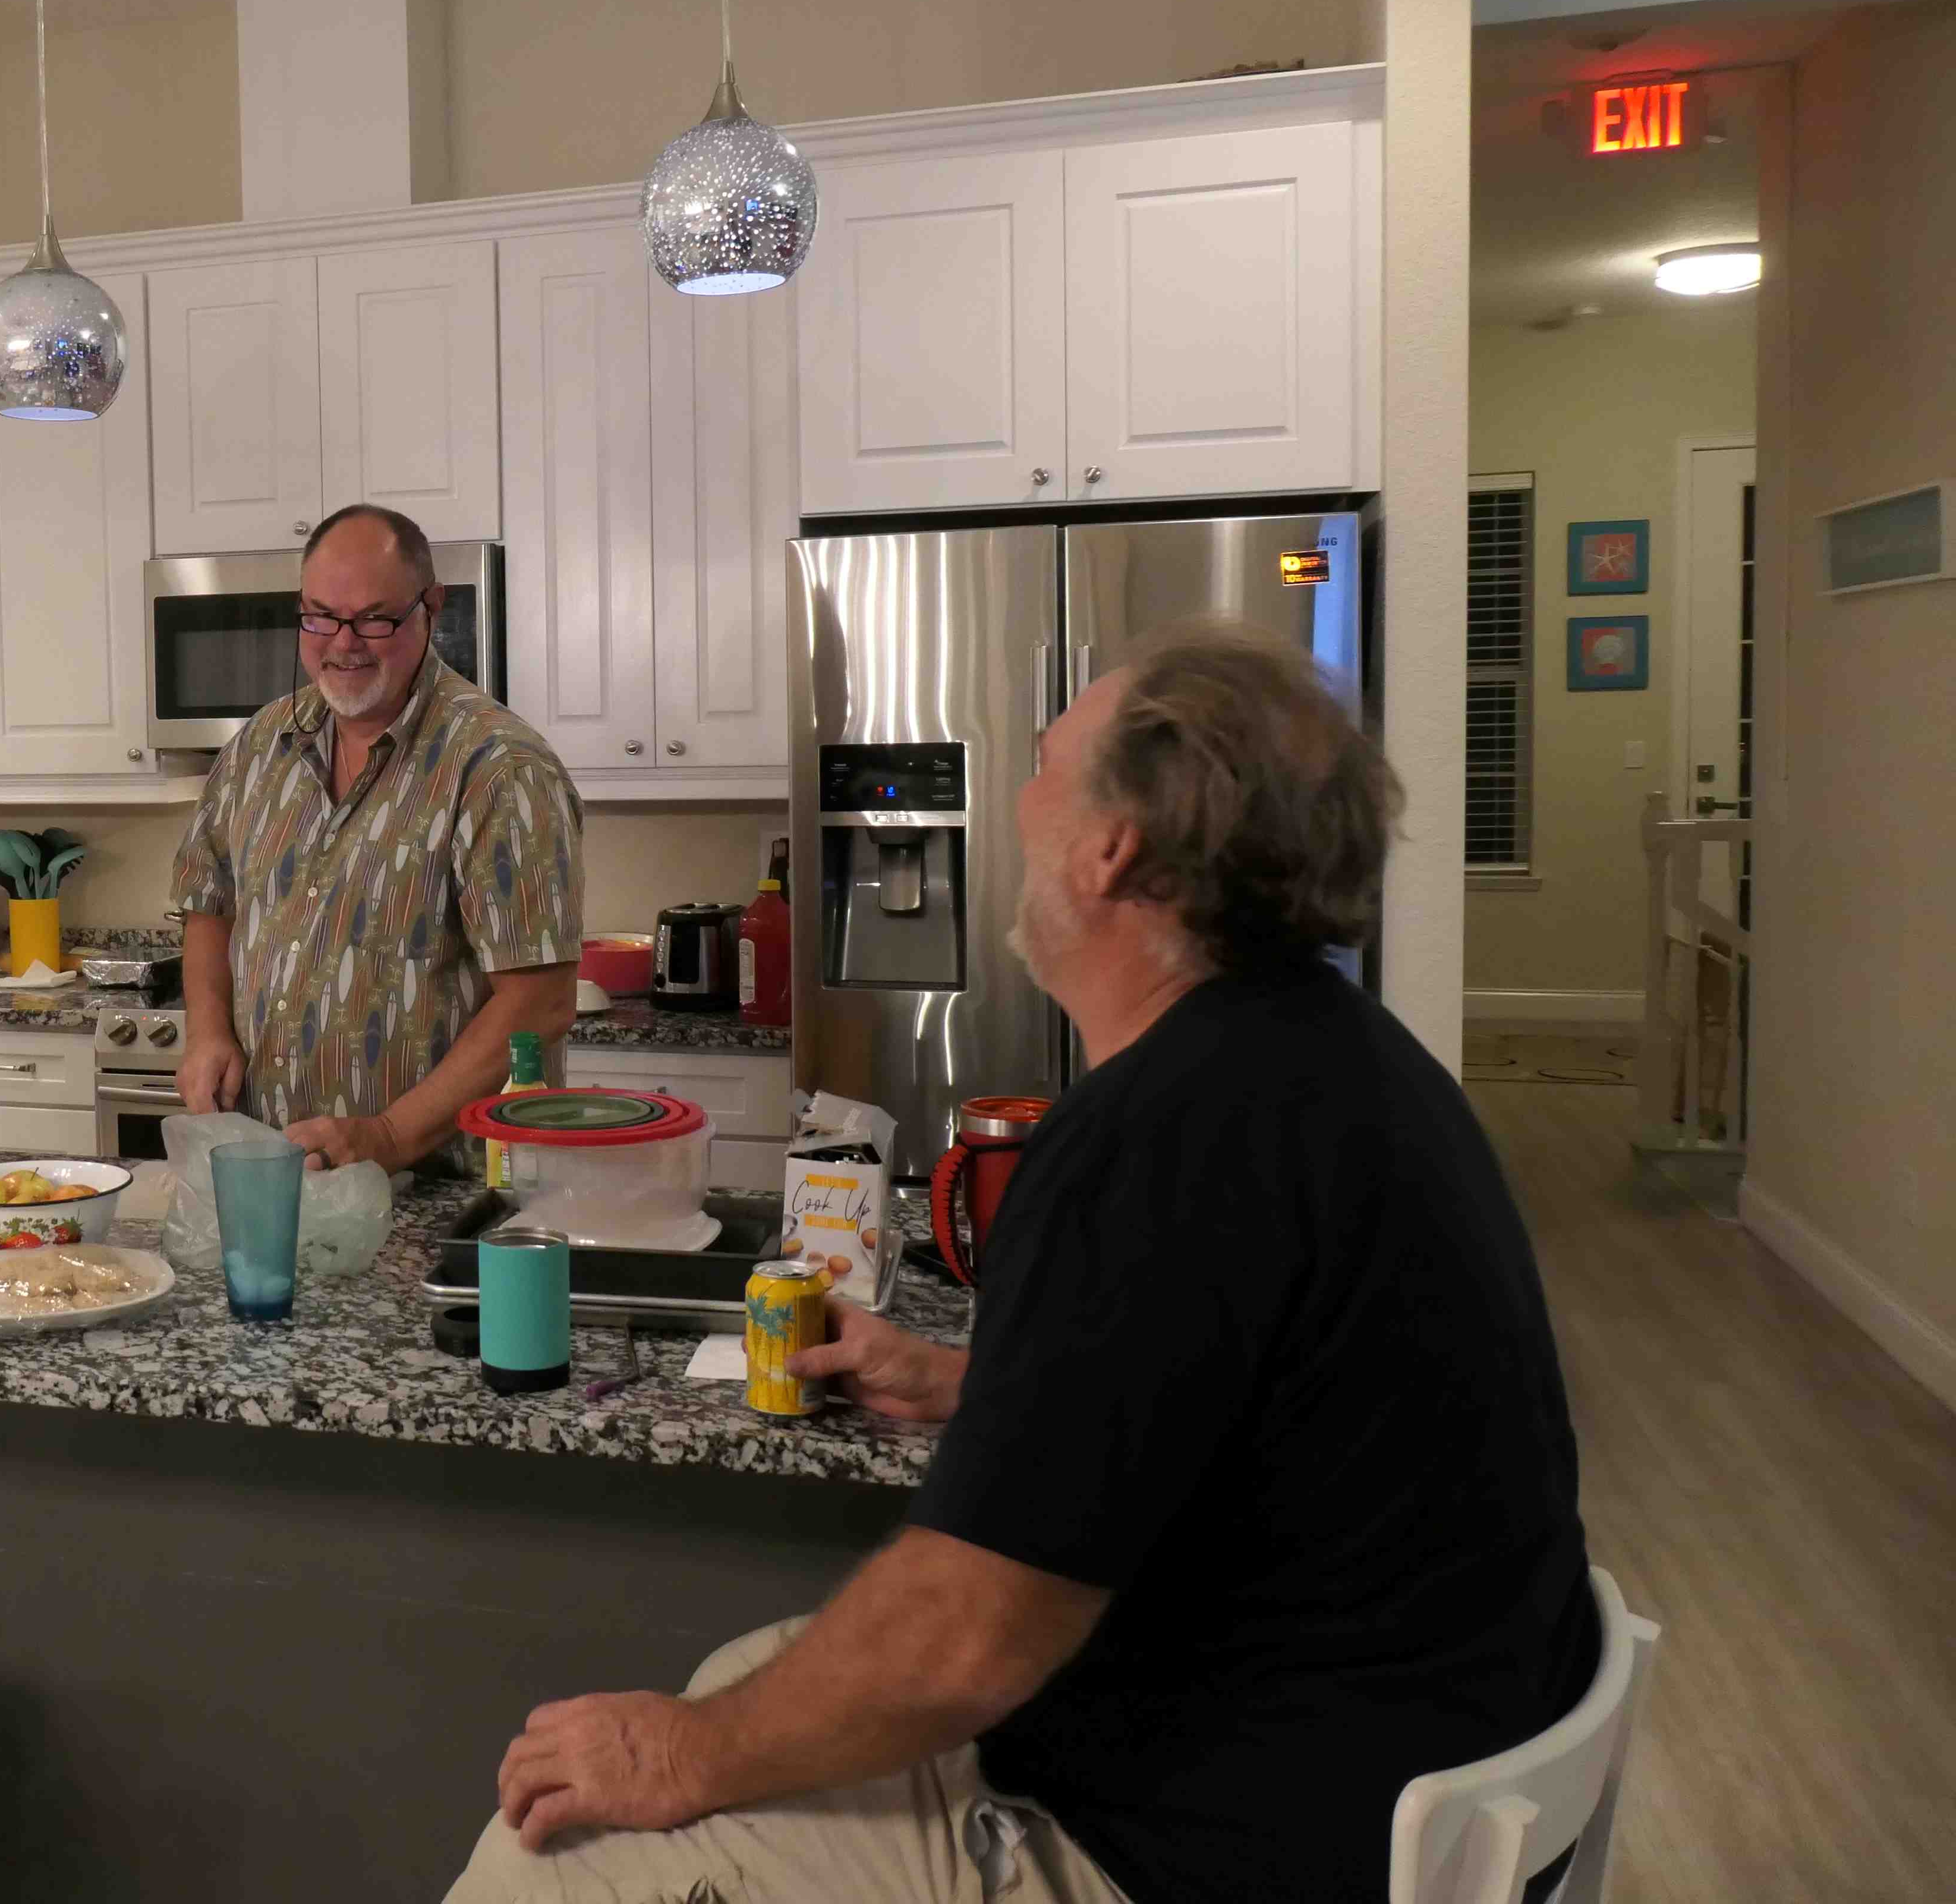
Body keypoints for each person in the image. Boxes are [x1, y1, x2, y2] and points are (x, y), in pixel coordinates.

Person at [449, 621, 1600, 1904]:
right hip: (1388, 1774)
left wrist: (679, 1756)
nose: (1016, 801)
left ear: (1113, 849)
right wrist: (978, 1381)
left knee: (549, 1856)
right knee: (741, 1677)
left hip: (1210, 1852)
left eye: (1046, 766)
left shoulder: (1158, 1134)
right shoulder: (1345, 1064)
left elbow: (965, 1639)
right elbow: (1239, 1396)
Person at [171, 503, 582, 1175]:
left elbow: (541, 1000)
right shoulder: (260, 746)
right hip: (271, 1179)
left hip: (439, 1191)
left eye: (374, 619)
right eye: (320, 616)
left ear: (432, 608)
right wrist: (208, 1028)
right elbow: (209, 903)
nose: (343, 644)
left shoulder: (499, 768)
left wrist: (389, 1136)